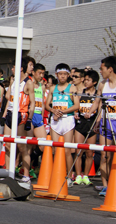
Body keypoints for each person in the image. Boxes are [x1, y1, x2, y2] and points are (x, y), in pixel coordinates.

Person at [44, 63, 80, 186]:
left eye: (65, 74)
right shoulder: (53, 88)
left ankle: (69, 175)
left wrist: (62, 112)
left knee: (67, 151)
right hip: (55, 120)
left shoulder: (72, 88)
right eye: (60, 74)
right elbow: (47, 104)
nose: (62, 76)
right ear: (56, 75)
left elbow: (76, 105)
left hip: (67, 119)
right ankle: (57, 174)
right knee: (55, 149)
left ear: (68, 75)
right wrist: (53, 110)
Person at [87, 56, 116, 195]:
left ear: (110, 69)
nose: (100, 71)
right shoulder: (102, 85)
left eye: (102, 68)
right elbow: (97, 102)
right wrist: (90, 113)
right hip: (106, 122)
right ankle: (106, 186)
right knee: (105, 154)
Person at [3, 57, 35, 183]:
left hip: (21, 114)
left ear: (21, 68)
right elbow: (7, 97)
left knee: (22, 147)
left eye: (14, 67)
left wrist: (29, 119)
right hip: (10, 113)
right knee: (8, 144)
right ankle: (8, 172)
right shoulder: (13, 80)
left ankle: (26, 174)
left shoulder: (28, 83)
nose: (12, 69)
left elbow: (32, 103)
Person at [73, 69, 99, 186]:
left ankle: (86, 175)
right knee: (79, 151)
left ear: (94, 82)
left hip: (91, 124)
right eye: (85, 79)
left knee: (89, 153)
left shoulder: (98, 94)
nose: (86, 82)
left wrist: (97, 123)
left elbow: (99, 111)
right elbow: (76, 106)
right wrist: (75, 113)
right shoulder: (81, 92)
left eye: (88, 80)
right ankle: (78, 175)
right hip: (80, 124)